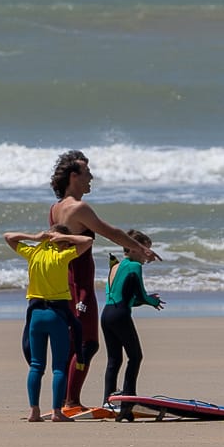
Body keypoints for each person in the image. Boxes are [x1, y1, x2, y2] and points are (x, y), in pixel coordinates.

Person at [47, 150, 160, 413]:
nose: (91, 177)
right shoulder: (78, 208)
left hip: (66, 283)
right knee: (87, 343)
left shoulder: (55, 210)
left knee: (76, 341)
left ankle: (64, 400)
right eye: (87, 172)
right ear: (73, 176)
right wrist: (140, 249)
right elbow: (111, 232)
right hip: (80, 285)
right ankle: (70, 401)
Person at [7, 227, 93, 422]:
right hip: (57, 315)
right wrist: (63, 238)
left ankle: (34, 411)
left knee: (36, 366)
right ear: (62, 241)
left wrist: (34, 237)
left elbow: (8, 237)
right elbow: (87, 241)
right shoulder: (62, 256)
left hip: (36, 315)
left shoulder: (33, 253)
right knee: (59, 367)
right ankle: (56, 412)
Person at [102, 230, 165, 421]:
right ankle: (128, 402)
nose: (147, 255)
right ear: (134, 248)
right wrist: (152, 301)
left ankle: (108, 399)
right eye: (145, 249)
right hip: (121, 316)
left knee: (114, 359)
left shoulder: (116, 266)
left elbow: (127, 297)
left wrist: (145, 301)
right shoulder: (135, 267)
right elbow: (142, 295)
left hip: (106, 314)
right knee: (135, 356)